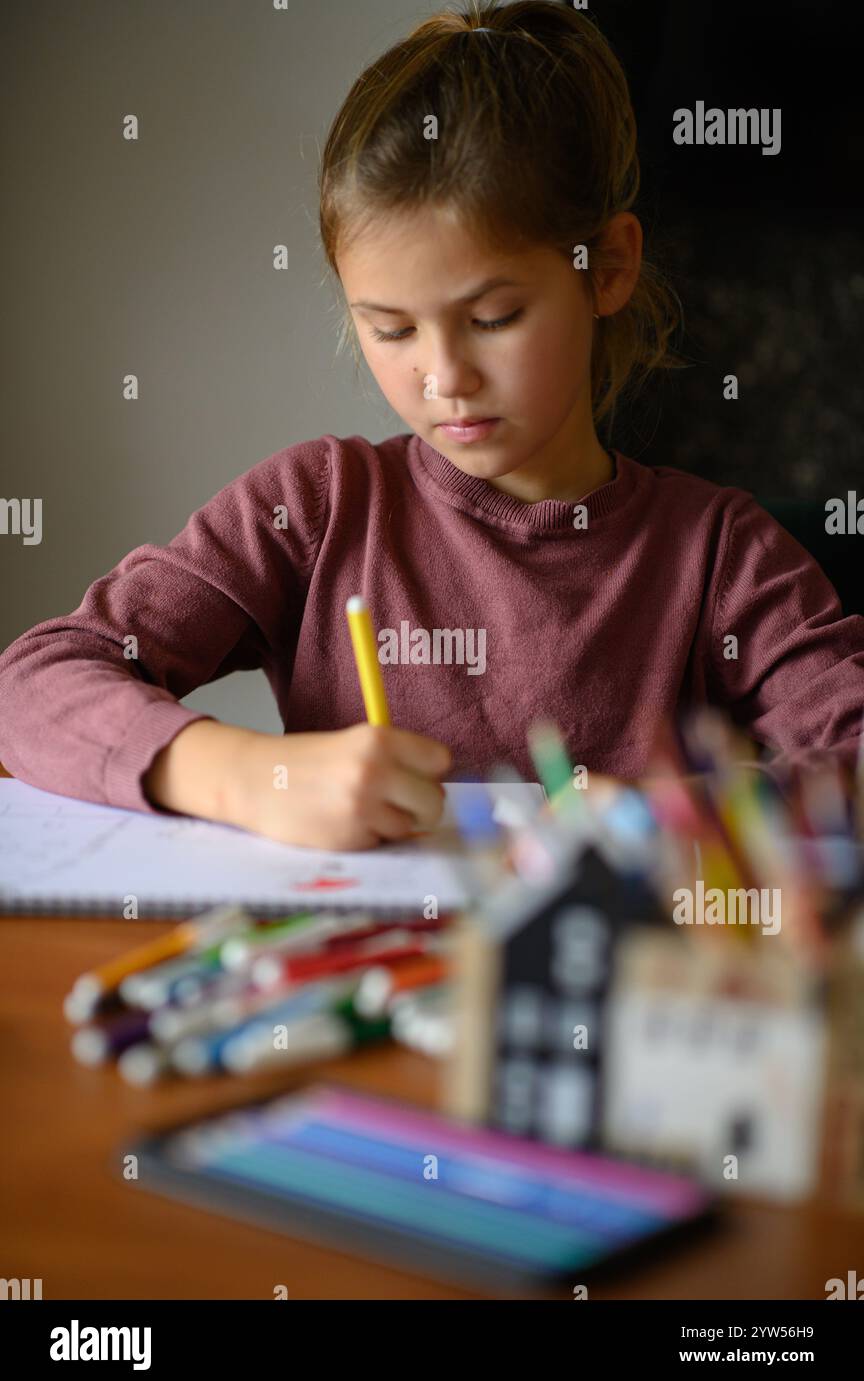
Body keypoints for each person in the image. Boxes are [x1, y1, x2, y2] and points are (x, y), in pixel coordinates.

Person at [1, 2, 863, 851]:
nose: (445, 378)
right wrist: (251, 778)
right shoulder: (313, 509)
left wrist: (669, 815)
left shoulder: (719, 554)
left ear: (609, 268)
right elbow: (33, 683)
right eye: (392, 330)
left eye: (493, 317)